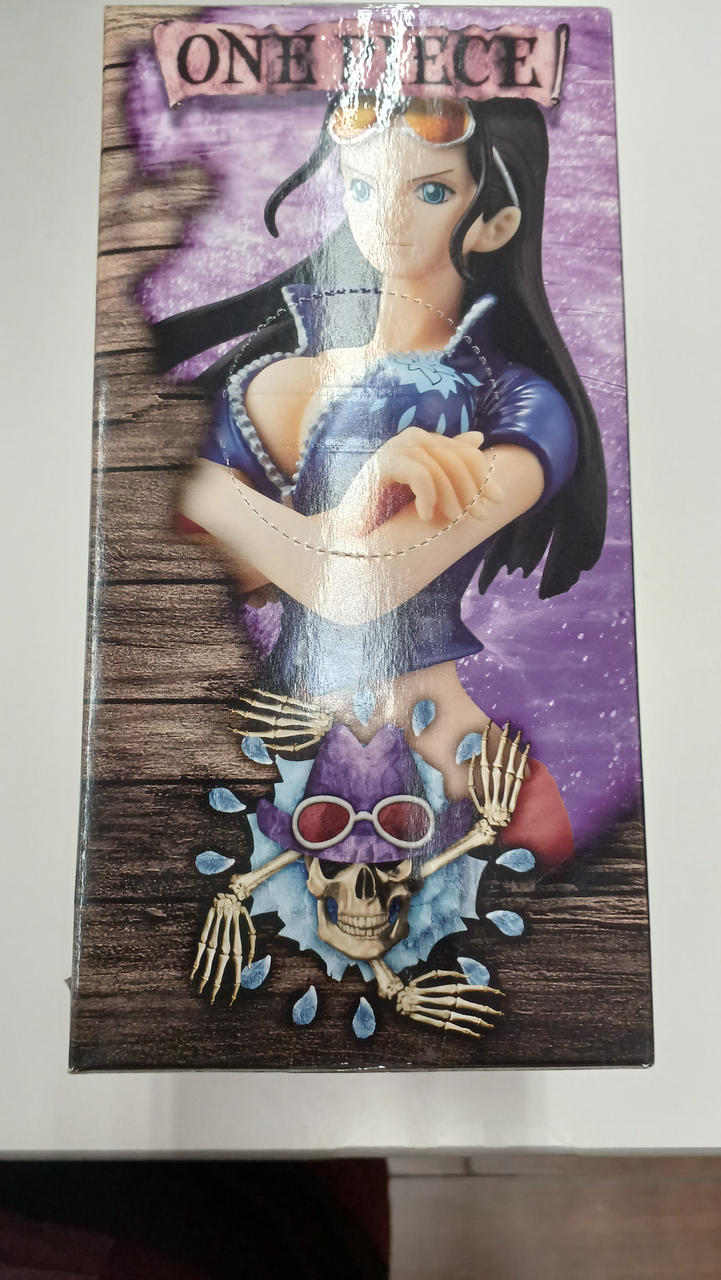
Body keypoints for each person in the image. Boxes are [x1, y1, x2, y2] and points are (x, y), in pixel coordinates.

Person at [160, 94, 605, 843]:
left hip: (457, 774)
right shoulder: (272, 381)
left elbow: (355, 588)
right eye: (363, 186)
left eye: (430, 190)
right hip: (269, 758)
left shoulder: (524, 408)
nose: (386, 213)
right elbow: (200, 574)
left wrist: (208, 490)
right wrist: (339, 516)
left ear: (494, 224)